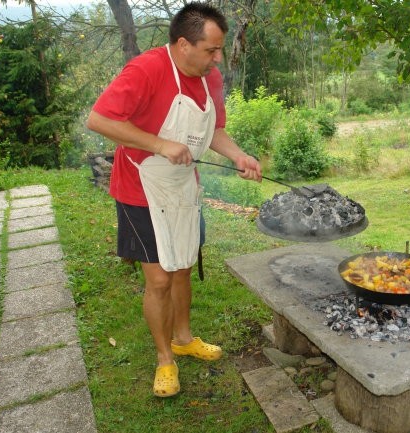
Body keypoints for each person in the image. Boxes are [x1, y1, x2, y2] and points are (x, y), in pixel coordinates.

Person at [86, 2, 261, 398]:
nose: (218, 59)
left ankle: (183, 337)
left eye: (219, 50)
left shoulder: (209, 78)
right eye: (211, 50)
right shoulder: (146, 70)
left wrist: (238, 156)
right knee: (160, 279)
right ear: (183, 44)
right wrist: (159, 144)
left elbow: (213, 129)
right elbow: (99, 119)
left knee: (182, 267)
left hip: (183, 186)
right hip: (140, 187)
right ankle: (165, 360)